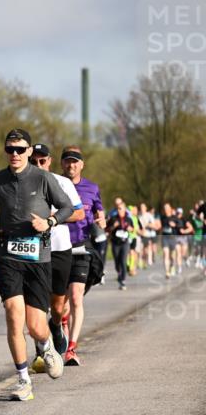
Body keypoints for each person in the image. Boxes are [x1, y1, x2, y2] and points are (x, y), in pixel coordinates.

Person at [0, 129, 73, 401]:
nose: (15, 154)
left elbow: (65, 208)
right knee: (12, 313)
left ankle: (46, 345)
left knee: (35, 326)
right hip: (7, 255)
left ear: (30, 151)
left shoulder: (43, 178)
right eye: (10, 150)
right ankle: (22, 380)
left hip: (38, 258)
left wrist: (50, 222)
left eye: (20, 149)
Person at [27, 143, 83, 362]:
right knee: (36, 304)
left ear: (49, 161)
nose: (38, 165)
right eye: (34, 161)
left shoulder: (62, 182)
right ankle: (41, 352)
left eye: (42, 161)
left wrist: (52, 218)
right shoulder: (23, 183)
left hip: (60, 249)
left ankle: (56, 325)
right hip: (33, 250)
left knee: (57, 306)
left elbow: (78, 214)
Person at [61, 146, 104, 366]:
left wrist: (102, 221)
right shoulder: (54, 185)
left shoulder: (92, 188)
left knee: (76, 296)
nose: (71, 165)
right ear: (62, 164)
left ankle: (71, 348)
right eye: (68, 161)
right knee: (61, 305)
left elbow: (99, 211)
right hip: (58, 248)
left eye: (75, 162)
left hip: (82, 247)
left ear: (82, 165)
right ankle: (62, 322)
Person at [106, 198, 136, 289]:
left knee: (123, 261)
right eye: (118, 209)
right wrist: (113, 227)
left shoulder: (128, 219)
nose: (119, 210)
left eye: (121, 209)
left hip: (125, 242)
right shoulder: (113, 218)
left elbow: (133, 229)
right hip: (115, 243)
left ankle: (122, 280)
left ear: (124, 209)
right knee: (117, 262)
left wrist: (130, 229)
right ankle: (119, 273)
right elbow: (107, 230)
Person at [159, 202, 190, 279]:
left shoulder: (175, 218)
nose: (166, 210)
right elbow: (160, 226)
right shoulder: (162, 217)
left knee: (172, 256)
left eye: (167, 208)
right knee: (166, 254)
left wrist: (175, 225)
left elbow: (180, 226)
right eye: (164, 208)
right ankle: (167, 272)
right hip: (165, 237)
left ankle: (172, 266)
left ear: (170, 209)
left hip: (173, 238)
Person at [138, 202, 158, 268]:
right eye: (141, 207)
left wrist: (147, 225)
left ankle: (148, 259)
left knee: (146, 249)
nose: (142, 208)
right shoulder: (139, 216)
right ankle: (140, 261)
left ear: (146, 208)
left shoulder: (149, 215)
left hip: (147, 234)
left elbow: (154, 225)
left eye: (143, 207)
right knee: (140, 248)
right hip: (140, 234)